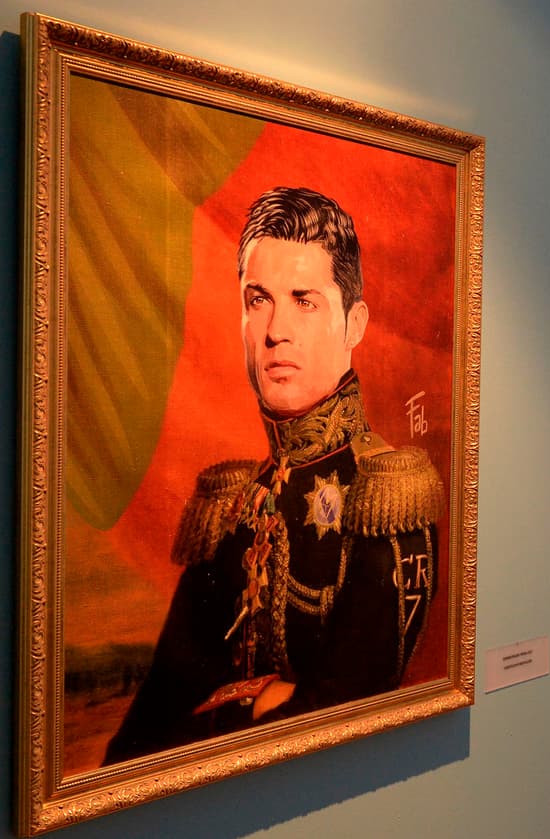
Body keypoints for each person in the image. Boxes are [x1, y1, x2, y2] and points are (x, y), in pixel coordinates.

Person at [105, 187, 443, 763]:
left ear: (353, 323)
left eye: (304, 300)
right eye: (257, 300)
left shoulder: (387, 495)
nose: (275, 330)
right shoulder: (232, 502)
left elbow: (346, 711)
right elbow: (148, 729)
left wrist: (223, 708)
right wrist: (255, 703)